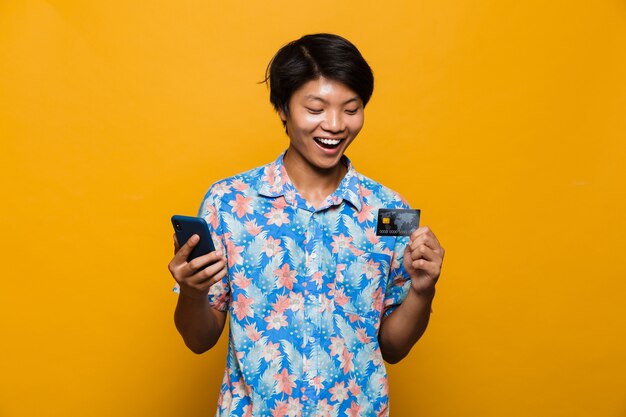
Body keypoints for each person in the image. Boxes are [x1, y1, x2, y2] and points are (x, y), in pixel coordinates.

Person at [168, 33, 445, 417]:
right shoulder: (229, 202)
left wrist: (422, 290)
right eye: (315, 108)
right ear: (282, 107)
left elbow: (394, 348)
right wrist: (192, 292)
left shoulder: (387, 209)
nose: (334, 125)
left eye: (351, 109)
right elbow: (199, 340)